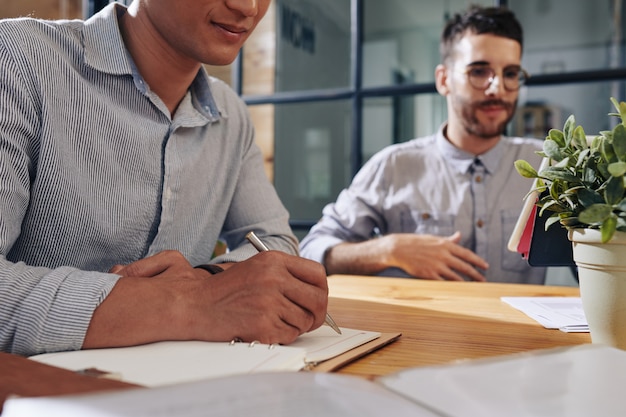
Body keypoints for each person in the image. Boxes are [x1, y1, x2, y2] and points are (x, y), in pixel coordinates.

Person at [0, 0, 328, 357]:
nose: (247, 6)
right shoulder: (18, 60)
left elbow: (275, 240)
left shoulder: (230, 114)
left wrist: (208, 280)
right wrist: (188, 303)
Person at [300, 5, 546, 284]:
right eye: (479, 72)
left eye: (511, 74)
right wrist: (389, 250)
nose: (497, 88)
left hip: (516, 329)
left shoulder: (547, 167)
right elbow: (311, 251)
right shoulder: (393, 166)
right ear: (443, 80)